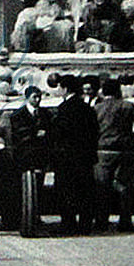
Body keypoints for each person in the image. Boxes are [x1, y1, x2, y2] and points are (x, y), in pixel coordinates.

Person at [52, 76, 100, 233]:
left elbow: (59, 133)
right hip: (85, 156)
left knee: (66, 191)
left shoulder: (64, 109)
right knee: (85, 190)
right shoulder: (87, 108)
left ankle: (68, 223)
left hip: (67, 158)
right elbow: (95, 132)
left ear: (66, 89)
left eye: (60, 87)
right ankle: (85, 224)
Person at [93, 78, 134, 232]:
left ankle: (101, 221)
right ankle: (125, 221)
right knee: (125, 185)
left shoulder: (97, 108)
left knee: (102, 186)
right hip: (125, 149)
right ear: (118, 90)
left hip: (104, 150)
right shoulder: (128, 106)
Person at [4, 85, 52, 235]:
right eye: (34, 97)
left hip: (40, 156)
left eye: (39, 97)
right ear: (27, 98)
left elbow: (51, 130)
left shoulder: (45, 114)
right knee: (24, 187)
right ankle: (23, 215)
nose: (37, 100)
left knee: (39, 185)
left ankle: (35, 215)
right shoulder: (17, 115)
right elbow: (18, 134)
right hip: (24, 158)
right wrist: (36, 133)